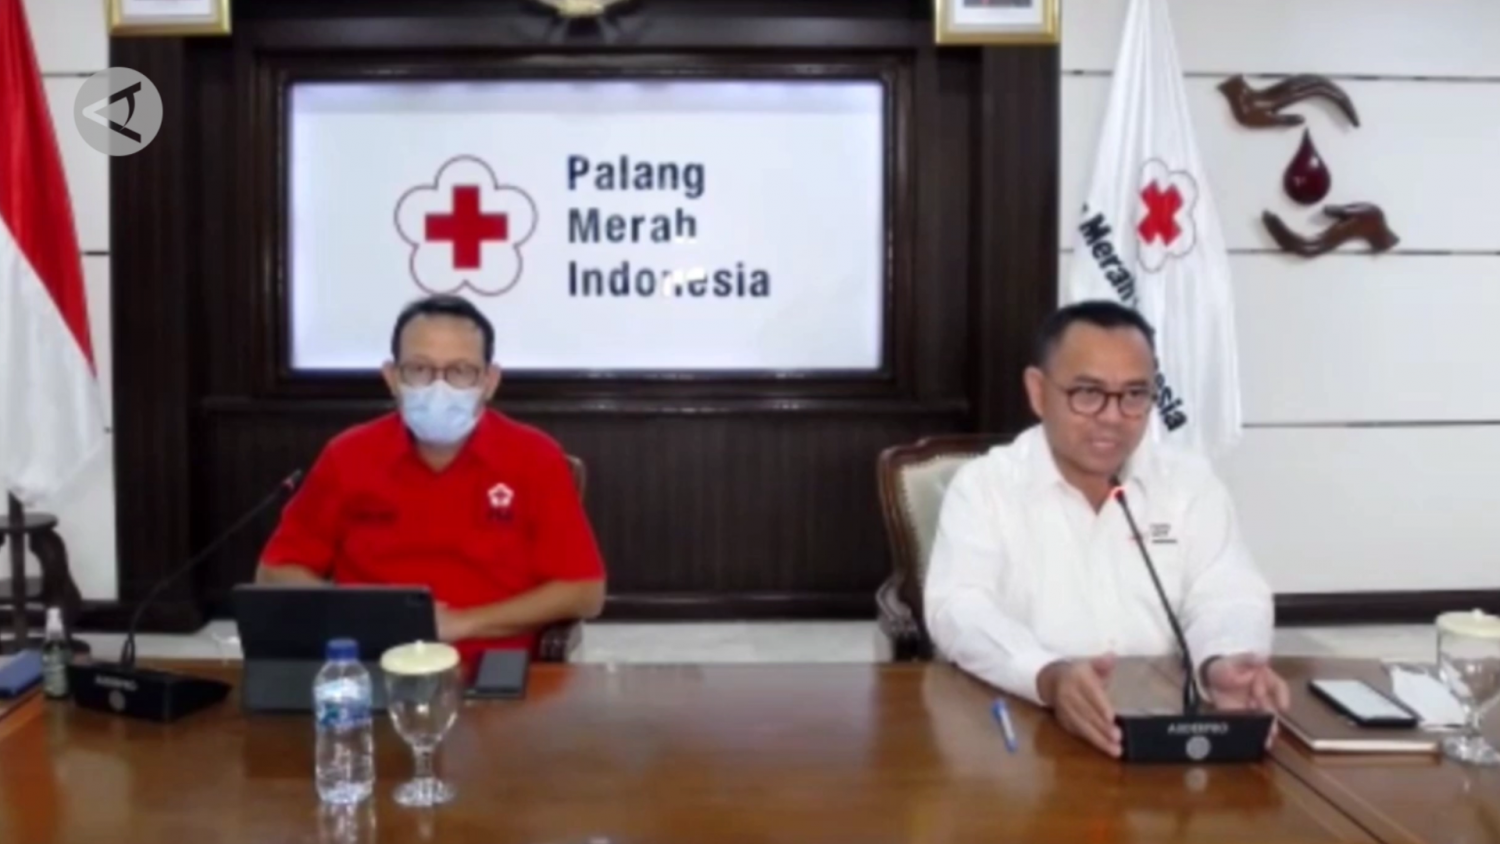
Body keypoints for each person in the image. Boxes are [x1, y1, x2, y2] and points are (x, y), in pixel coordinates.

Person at [923, 300, 1288, 758]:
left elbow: (1228, 591)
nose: (1113, 416)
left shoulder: (1189, 484)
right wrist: (1048, 675)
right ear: (1038, 392)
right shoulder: (984, 487)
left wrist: (1223, 659)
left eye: (1134, 395)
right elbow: (960, 609)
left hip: (1166, 733)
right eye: (1087, 393)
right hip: (1022, 732)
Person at [256, 295, 606, 667]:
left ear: (489, 381)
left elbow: (584, 591)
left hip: (490, 665)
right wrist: (359, 617)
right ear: (392, 377)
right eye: (419, 369)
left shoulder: (534, 457)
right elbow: (275, 572)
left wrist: (462, 623)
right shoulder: (347, 456)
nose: (439, 387)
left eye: (461, 371)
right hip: (371, 663)